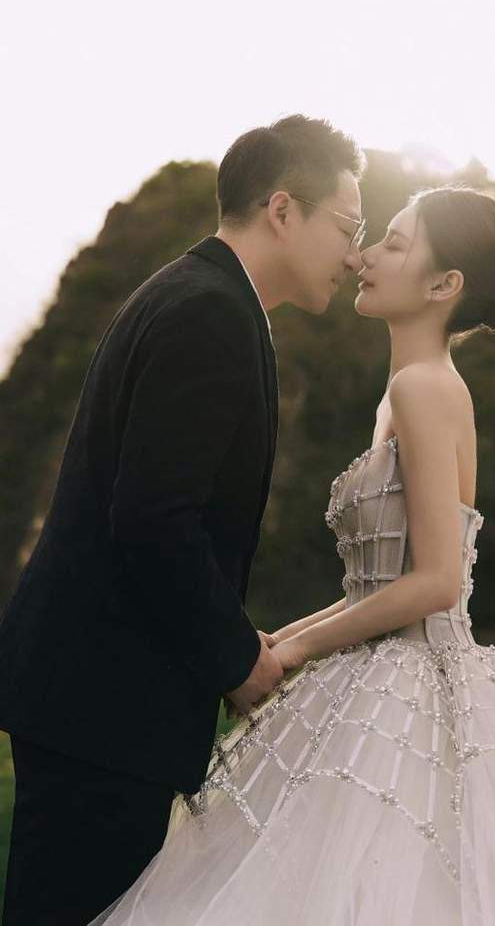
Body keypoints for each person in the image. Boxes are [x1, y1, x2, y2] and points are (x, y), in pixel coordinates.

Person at [88, 186, 495, 925]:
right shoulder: (404, 392)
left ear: (444, 285)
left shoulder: (424, 388)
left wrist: (294, 652)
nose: (365, 256)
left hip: (412, 680)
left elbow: (437, 581)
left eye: (395, 245)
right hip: (380, 666)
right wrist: (272, 643)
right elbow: (375, 588)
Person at [0, 114, 366, 925]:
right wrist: (235, 659)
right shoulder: (210, 314)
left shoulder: (200, 294)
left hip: (94, 697)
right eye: (348, 228)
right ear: (282, 209)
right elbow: (154, 520)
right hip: (104, 704)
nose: (353, 256)